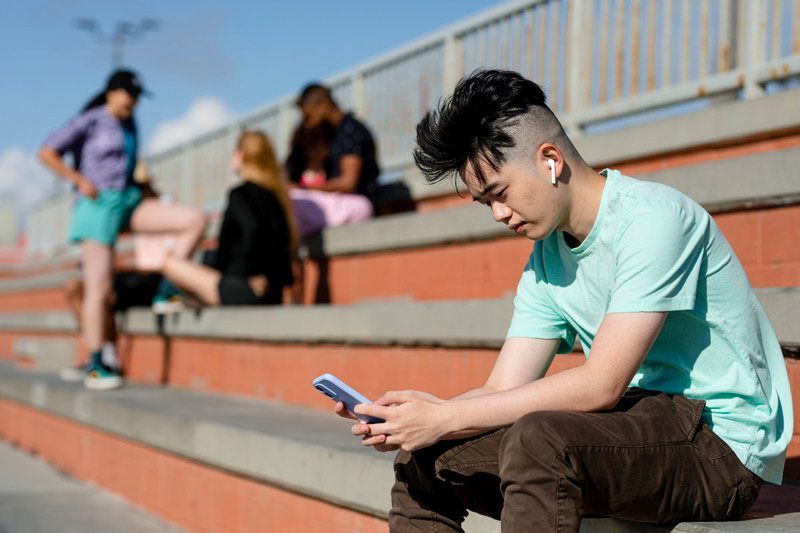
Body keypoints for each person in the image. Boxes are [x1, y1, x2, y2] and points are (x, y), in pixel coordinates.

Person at [335, 70, 793, 531]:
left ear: (550, 160)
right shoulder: (546, 259)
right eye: (484, 204)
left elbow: (601, 384)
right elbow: (500, 390)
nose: (497, 214)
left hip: (720, 448)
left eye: (500, 193)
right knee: (425, 457)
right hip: (636, 424)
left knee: (541, 440)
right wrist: (420, 418)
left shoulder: (653, 219)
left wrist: (447, 416)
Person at [39, 69, 206, 390]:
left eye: (138, 96)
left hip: (128, 201)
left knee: (192, 219)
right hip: (98, 204)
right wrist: (79, 180)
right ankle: (97, 361)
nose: (134, 101)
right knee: (98, 287)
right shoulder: (90, 120)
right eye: (129, 94)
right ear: (112, 93)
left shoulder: (130, 125)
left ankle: (166, 288)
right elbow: (47, 152)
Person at [152, 130, 296, 306]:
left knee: (167, 262)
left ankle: (171, 298)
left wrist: (250, 276)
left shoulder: (240, 194)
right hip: (273, 292)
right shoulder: (278, 196)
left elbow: (248, 234)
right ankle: (189, 299)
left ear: (242, 154)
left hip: (243, 288)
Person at [286, 83, 378, 236]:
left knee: (292, 200)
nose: (307, 122)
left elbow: (348, 183)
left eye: (308, 116)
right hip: (340, 203)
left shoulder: (350, 130)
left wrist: (303, 189)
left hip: (356, 205)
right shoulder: (335, 133)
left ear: (321, 105)